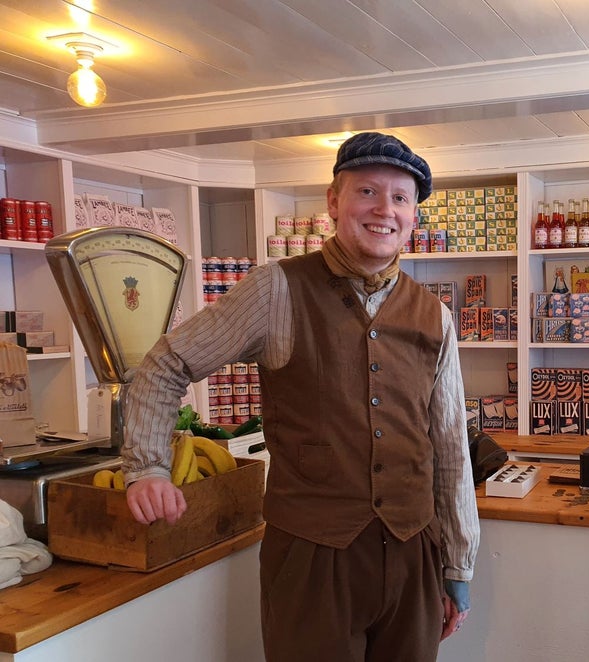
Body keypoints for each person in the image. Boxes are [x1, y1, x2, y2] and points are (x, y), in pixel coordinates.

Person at [121, 131, 480, 662]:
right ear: (334, 201)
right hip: (312, 558)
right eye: (367, 192)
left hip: (412, 553)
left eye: (401, 198)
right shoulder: (276, 290)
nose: (385, 209)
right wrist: (147, 466)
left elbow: (449, 445)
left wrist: (457, 565)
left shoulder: (435, 316)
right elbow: (168, 361)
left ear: (413, 217)